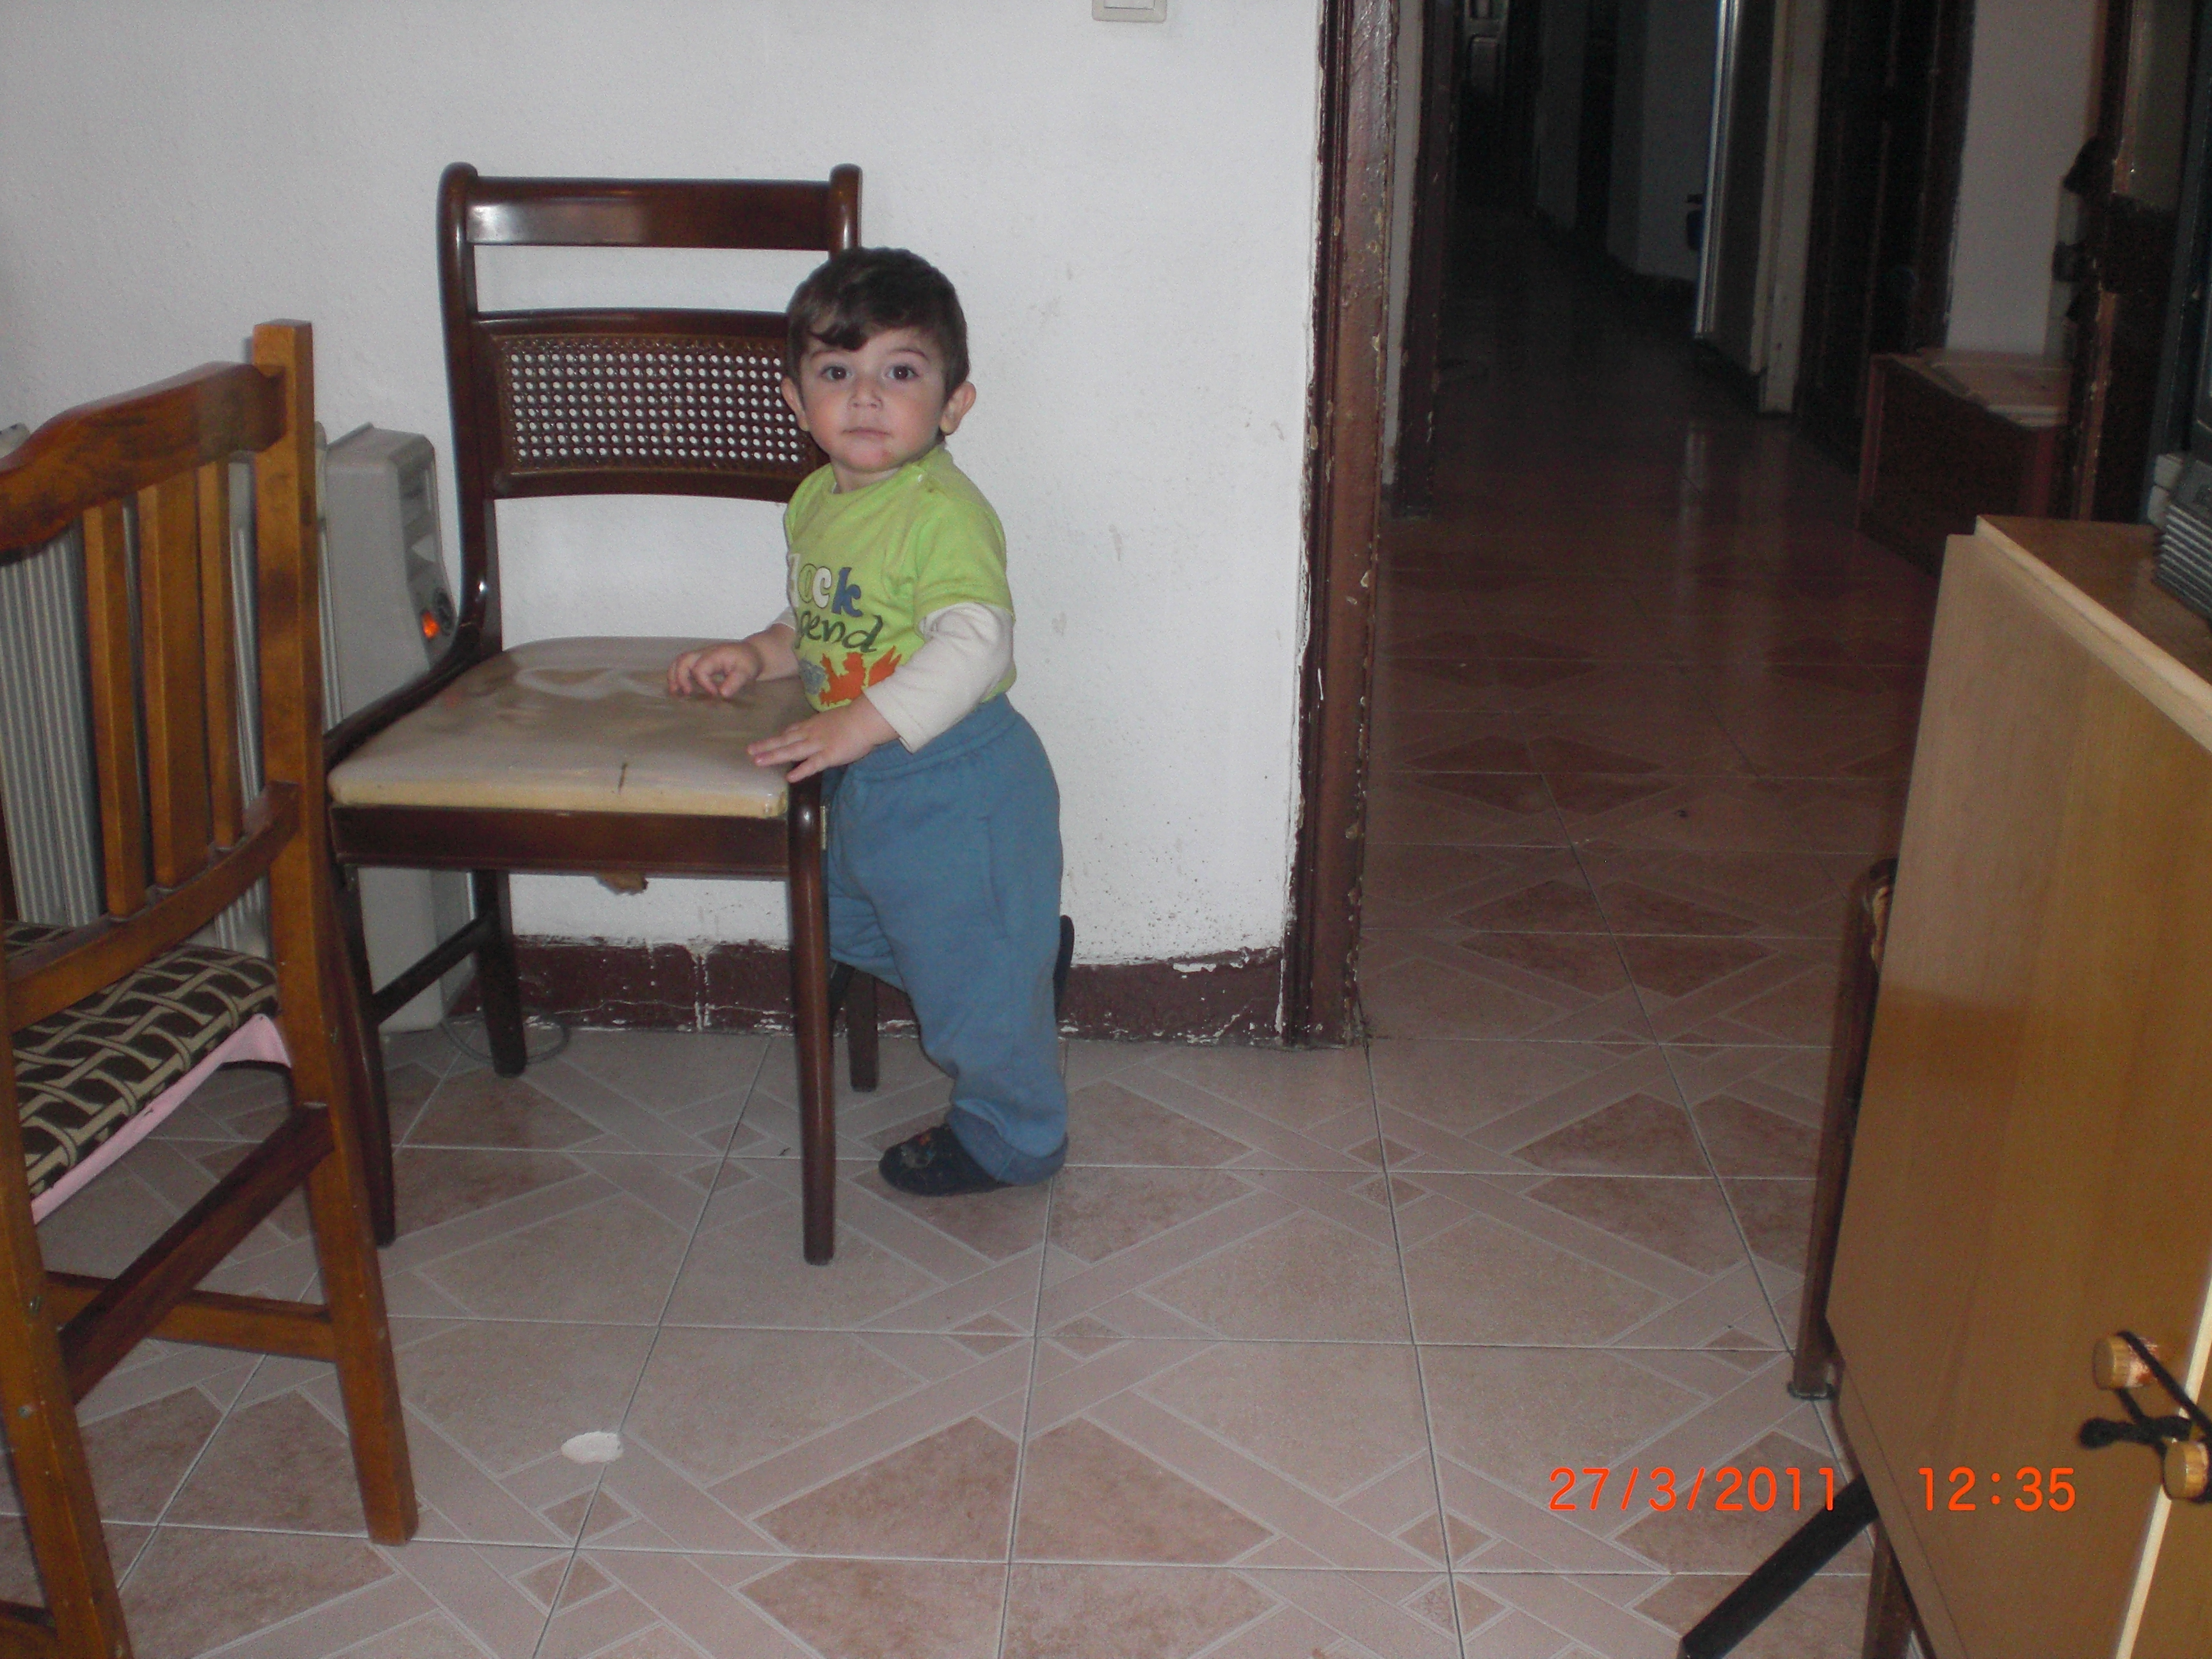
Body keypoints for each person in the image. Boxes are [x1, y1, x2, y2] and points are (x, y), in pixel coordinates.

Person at [668, 248, 1068, 1196]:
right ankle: (1015, 960)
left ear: (954, 404)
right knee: (854, 920)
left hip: (957, 779)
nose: (865, 397)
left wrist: (860, 724)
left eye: (902, 372)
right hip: (873, 778)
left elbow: (977, 642)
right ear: (796, 400)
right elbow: (821, 618)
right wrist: (761, 653)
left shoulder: (941, 513)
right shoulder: (817, 500)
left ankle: (1015, 1133)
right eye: (837, 371)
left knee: (963, 980)